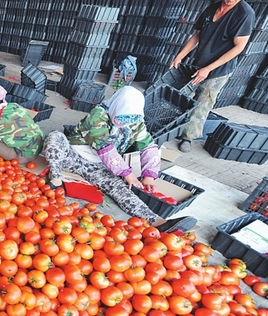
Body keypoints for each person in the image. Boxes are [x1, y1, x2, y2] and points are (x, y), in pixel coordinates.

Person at [43, 86, 197, 232]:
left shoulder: (136, 123)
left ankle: (157, 222)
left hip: (99, 166)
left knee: (122, 189)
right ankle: (55, 179)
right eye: (123, 117)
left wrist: (149, 175)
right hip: (72, 156)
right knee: (55, 137)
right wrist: (127, 173)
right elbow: (105, 148)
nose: (126, 122)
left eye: (131, 119)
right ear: (116, 106)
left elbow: (148, 146)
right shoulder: (98, 116)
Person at [173, 0, 255, 153]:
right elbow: (197, 36)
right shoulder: (211, 8)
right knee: (184, 97)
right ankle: (178, 128)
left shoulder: (245, 14)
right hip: (198, 63)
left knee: (203, 102)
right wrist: (179, 56)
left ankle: (188, 138)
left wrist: (209, 68)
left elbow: (239, 47)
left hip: (218, 70)